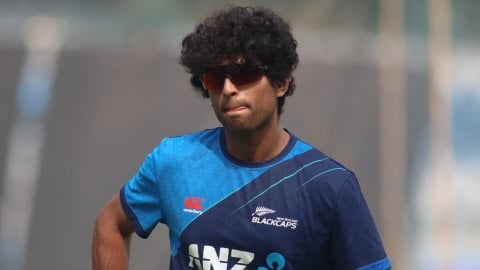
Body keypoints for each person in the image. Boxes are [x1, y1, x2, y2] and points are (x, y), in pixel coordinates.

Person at [92, 5, 391, 270]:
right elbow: (110, 225)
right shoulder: (173, 161)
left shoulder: (330, 186)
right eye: (215, 77)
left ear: (281, 82)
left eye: (244, 74)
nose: (229, 88)